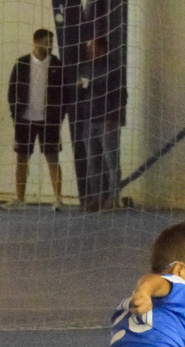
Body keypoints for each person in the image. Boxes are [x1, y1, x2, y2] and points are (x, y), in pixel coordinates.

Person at [7, 28, 64, 210]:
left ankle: (57, 199)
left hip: (49, 120)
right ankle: (20, 199)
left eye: (51, 43)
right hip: (25, 119)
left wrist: (58, 116)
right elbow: (12, 91)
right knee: (22, 158)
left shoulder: (57, 65)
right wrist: (16, 114)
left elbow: (65, 94)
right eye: (47, 42)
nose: (50, 46)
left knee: (52, 158)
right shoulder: (22, 63)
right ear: (36, 42)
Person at [75, 37, 126, 212]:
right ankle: (97, 198)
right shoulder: (85, 68)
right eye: (88, 49)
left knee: (112, 162)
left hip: (107, 121)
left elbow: (121, 95)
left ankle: (113, 198)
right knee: (92, 162)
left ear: (102, 50)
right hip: (89, 121)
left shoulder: (113, 69)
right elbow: (80, 93)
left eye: (93, 48)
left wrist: (115, 118)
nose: (89, 51)